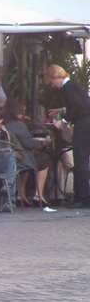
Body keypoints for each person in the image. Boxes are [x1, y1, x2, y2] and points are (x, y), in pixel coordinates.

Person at [44, 64, 90, 208]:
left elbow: (76, 106)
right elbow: (83, 104)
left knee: (80, 160)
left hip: (83, 125)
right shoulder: (75, 85)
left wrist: (62, 122)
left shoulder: (67, 87)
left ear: (56, 77)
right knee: (83, 160)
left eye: (52, 82)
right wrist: (63, 110)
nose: (53, 86)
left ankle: (81, 197)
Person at [2, 99, 51, 207]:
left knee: (25, 169)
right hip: (19, 159)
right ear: (18, 112)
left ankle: (21, 194)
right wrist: (42, 144)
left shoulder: (4, 123)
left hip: (6, 159)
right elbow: (28, 143)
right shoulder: (18, 125)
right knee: (43, 164)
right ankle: (38, 195)